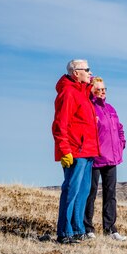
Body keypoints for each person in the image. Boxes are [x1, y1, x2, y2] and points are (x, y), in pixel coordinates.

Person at [52, 59, 99, 244]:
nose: (90, 72)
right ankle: (64, 232)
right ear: (75, 73)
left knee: (83, 192)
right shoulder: (68, 92)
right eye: (87, 69)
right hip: (75, 151)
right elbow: (59, 124)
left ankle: (78, 229)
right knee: (71, 191)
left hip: (88, 151)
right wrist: (65, 150)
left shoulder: (83, 93)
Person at [84, 76, 127, 241]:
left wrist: (121, 143)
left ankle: (110, 229)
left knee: (111, 194)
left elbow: (119, 127)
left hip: (112, 158)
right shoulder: (89, 107)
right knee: (91, 193)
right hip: (95, 158)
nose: (102, 91)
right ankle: (88, 228)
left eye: (104, 89)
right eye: (99, 89)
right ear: (92, 90)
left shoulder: (110, 108)